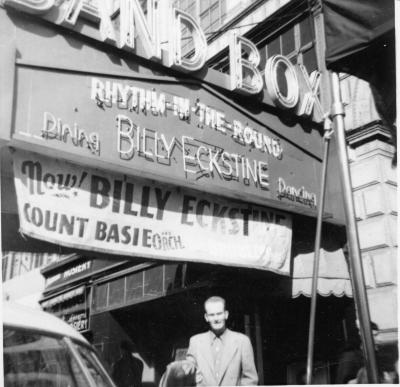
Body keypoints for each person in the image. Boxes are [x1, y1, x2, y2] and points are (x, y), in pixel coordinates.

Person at [183, 296, 258, 386]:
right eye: (212, 315)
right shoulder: (195, 342)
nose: (216, 319)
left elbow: (250, 379)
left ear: (226, 314)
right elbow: (188, 377)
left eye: (219, 314)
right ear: (206, 317)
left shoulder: (242, 341)